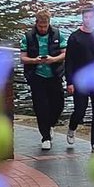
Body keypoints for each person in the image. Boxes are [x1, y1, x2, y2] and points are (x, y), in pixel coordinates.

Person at [20, 9, 66, 150]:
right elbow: (23, 58)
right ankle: (45, 136)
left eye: (45, 26)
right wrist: (35, 61)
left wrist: (53, 59)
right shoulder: (27, 37)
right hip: (37, 77)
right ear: (36, 23)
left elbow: (65, 53)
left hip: (54, 75)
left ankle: (51, 124)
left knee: (59, 104)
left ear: (49, 23)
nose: (42, 28)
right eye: (40, 26)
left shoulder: (58, 34)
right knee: (41, 108)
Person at [65, 4, 94, 153]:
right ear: (82, 19)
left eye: (90, 17)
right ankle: (72, 126)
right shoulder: (75, 37)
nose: (88, 20)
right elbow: (69, 61)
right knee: (80, 111)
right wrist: (69, 81)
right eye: (85, 17)